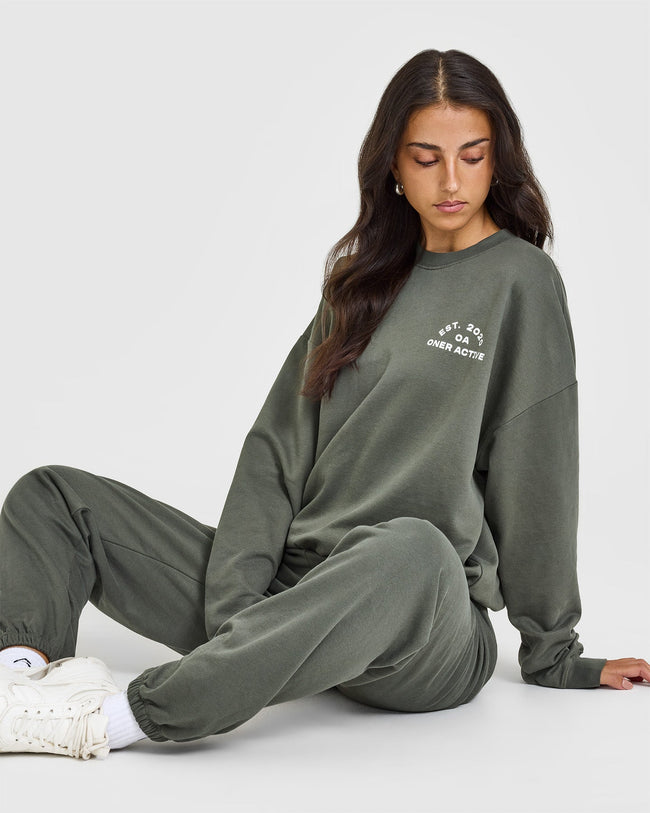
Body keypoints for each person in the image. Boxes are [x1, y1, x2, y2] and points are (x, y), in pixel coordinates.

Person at [1, 49, 648, 761]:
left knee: (415, 545)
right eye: (426, 158)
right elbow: (277, 452)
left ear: (499, 159)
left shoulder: (522, 280)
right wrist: (238, 611)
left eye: (473, 155)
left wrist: (554, 650)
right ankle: (18, 683)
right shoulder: (359, 282)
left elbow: (539, 471)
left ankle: (114, 719)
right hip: (297, 594)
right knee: (54, 497)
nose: (452, 180)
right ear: (393, 165)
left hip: (422, 621)